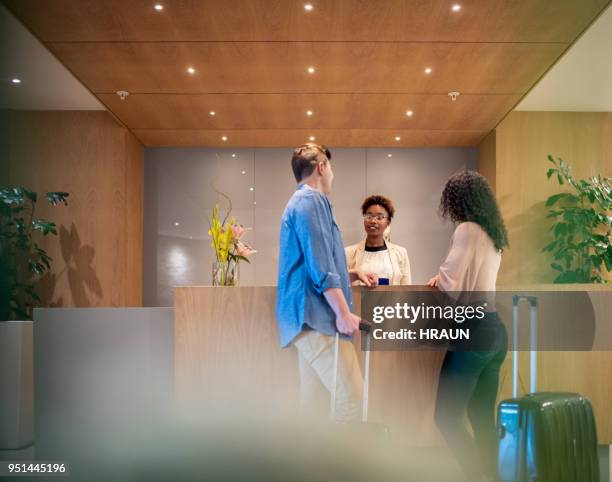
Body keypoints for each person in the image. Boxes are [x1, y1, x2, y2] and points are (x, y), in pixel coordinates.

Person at [276, 143, 378, 421]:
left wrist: (352, 274)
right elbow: (320, 264)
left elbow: (312, 260)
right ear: (321, 167)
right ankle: (346, 465)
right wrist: (343, 313)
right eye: (330, 167)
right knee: (354, 402)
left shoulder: (299, 202)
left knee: (315, 408)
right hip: (317, 319)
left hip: (305, 321)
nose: (332, 174)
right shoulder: (311, 201)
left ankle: (312, 463)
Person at [427, 171, 509, 482]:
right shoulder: (493, 232)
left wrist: (438, 276)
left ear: (457, 201)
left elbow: (451, 283)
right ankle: (492, 477)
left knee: (445, 416)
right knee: (480, 417)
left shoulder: (467, 229)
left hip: (473, 331)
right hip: (495, 331)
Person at [345, 195, 412, 285]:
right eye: (368, 216)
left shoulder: (401, 253)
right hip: (359, 299)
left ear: (388, 222)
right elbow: (342, 285)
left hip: (392, 299)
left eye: (379, 217)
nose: (373, 221)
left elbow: (406, 290)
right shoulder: (349, 253)